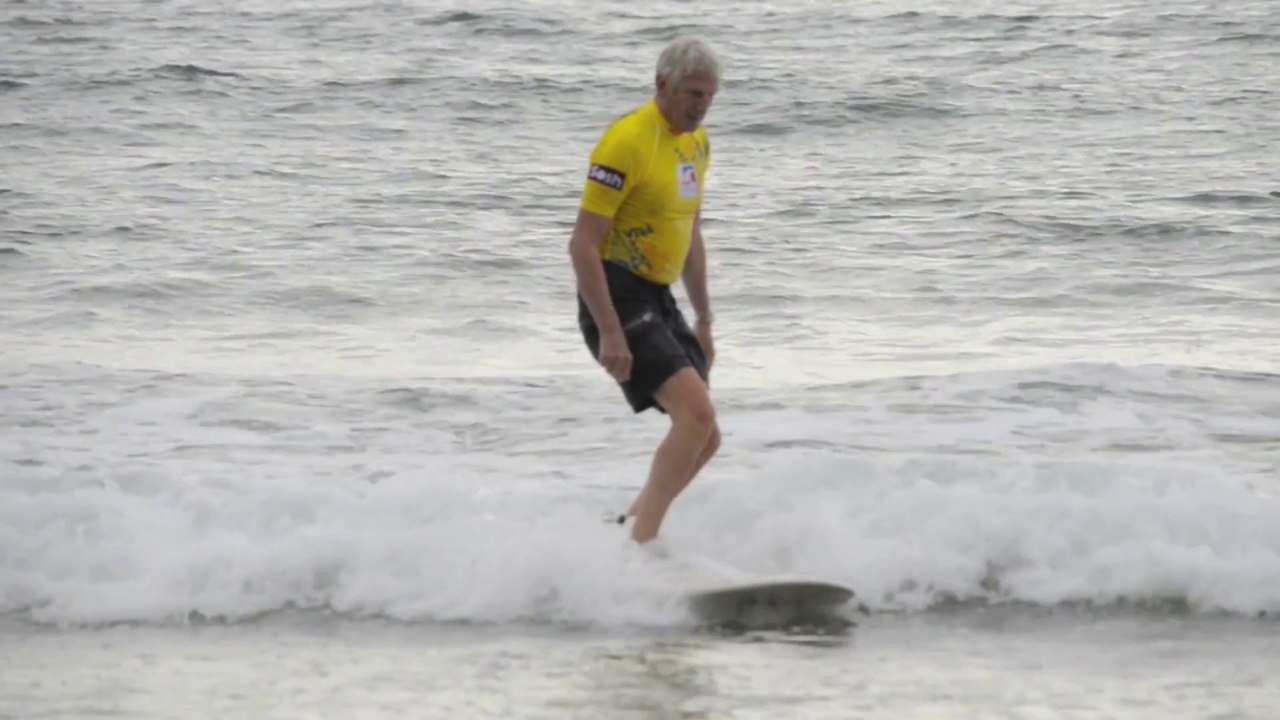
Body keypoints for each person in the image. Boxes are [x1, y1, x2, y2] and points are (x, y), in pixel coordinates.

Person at [568, 37, 722, 546]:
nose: (700, 106)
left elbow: (689, 235)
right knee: (695, 418)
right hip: (616, 295)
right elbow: (582, 245)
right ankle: (642, 549)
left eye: (709, 96)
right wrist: (610, 332)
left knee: (707, 437)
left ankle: (625, 532)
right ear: (662, 85)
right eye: (692, 94)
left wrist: (703, 320)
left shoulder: (696, 146)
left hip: (658, 297)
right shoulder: (628, 142)